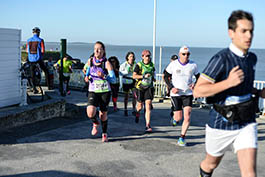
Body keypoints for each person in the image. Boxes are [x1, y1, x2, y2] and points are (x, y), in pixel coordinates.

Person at [193, 10, 265, 177]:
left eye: (251, 31)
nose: (249, 36)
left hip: (246, 120)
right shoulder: (221, 59)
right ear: (231, 33)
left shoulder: (252, 58)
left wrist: (259, 92)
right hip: (222, 121)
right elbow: (198, 90)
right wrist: (228, 82)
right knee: (210, 164)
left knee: (249, 173)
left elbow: (245, 87)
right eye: (243, 31)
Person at [164, 46, 199, 146]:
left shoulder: (193, 65)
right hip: (176, 94)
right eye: (184, 54)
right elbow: (166, 76)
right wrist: (171, 87)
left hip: (188, 93)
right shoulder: (173, 64)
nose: (186, 56)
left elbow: (198, 76)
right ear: (180, 54)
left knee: (187, 116)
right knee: (178, 118)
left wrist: (194, 84)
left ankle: (182, 137)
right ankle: (174, 119)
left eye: (188, 54)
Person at [84, 41, 116, 142]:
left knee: (102, 114)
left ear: (103, 51)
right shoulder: (90, 61)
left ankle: (104, 133)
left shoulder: (106, 63)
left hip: (104, 91)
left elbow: (113, 79)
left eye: (99, 49)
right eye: (95, 49)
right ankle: (95, 122)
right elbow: (86, 71)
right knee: (90, 112)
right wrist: (86, 77)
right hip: (93, 90)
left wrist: (104, 76)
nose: (97, 51)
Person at [133, 49, 155, 132]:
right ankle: (138, 113)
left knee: (148, 105)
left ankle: (147, 125)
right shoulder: (139, 65)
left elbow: (153, 73)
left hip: (149, 87)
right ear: (142, 57)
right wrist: (143, 76)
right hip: (140, 87)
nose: (148, 58)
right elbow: (134, 76)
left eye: (149, 56)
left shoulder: (152, 65)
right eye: (146, 56)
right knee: (139, 106)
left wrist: (153, 78)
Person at [26, 27, 50, 93]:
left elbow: (27, 50)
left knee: (32, 74)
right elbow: (43, 50)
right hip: (38, 59)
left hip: (31, 59)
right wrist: (41, 56)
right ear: (39, 33)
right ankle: (49, 86)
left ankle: (34, 88)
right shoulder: (40, 40)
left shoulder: (28, 40)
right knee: (46, 71)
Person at [119, 51, 137, 116]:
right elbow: (120, 72)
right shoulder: (124, 65)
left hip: (133, 81)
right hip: (126, 81)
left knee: (135, 96)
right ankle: (125, 109)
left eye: (133, 56)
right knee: (126, 96)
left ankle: (134, 109)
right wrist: (126, 71)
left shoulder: (136, 64)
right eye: (130, 56)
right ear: (127, 57)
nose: (132, 58)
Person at [162, 54, 178, 123]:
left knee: (178, 104)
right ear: (171, 60)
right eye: (174, 60)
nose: (175, 61)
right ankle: (174, 114)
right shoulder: (169, 67)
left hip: (179, 87)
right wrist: (168, 88)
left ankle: (175, 114)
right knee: (174, 103)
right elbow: (164, 77)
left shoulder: (179, 67)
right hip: (171, 86)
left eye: (176, 60)